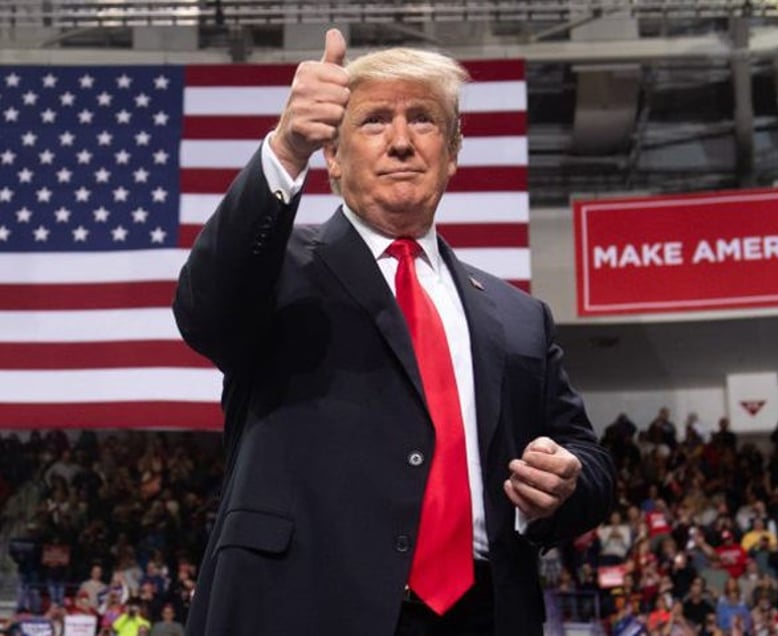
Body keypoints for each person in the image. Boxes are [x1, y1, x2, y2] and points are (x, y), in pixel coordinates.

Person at [173, 28, 616, 636]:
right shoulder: (274, 269)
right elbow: (205, 310)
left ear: (454, 151)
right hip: (304, 606)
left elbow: (588, 459)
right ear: (333, 153)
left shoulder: (519, 316)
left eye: (424, 120)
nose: (402, 142)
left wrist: (566, 481)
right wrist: (285, 148)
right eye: (375, 120)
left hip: (484, 614)